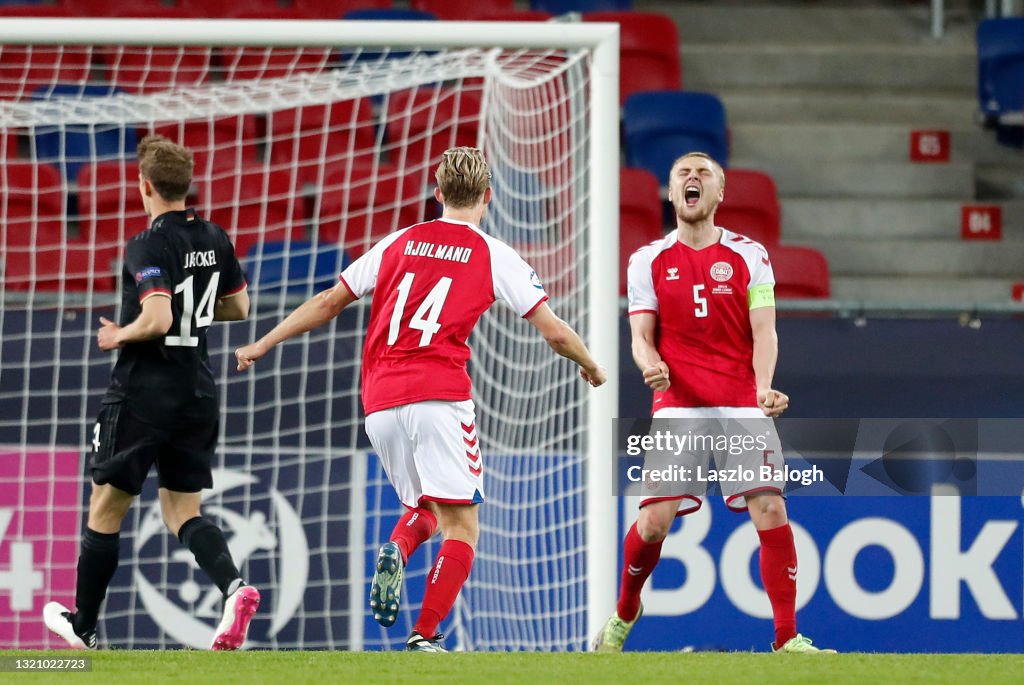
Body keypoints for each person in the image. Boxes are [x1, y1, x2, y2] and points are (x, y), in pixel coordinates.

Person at [235, 147, 606, 652]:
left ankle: (398, 546)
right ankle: (424, 634)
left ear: (437, 193)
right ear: (488, 197)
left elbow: (328, 301)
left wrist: (263, 342)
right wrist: (590, 364)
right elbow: (554, 333)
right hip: (439, 394)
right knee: (463, 525)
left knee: (425, 506)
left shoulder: (399, 241)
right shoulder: (495, 254)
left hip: (380, 402)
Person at [592, 152, 834, 655]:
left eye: (704, 174)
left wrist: (763, 385)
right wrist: (648, 362)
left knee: (769, 506)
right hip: (678, 401)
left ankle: (786, 637)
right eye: (683, 173)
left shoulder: (750, 255)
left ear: (720, 193)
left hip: (741, 401)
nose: (693, 179)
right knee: (655, 521)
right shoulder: (647, 260)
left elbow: (765, 331)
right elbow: (640, 335)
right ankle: (625, 610)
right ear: (672, 192)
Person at [43, 135, 259, 651]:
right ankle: (234, 587)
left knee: (105, 507)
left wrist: (118, 333)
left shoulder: (146, 243)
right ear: (187, 187)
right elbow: (240, 307)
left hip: (144, 391)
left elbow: (158, 316)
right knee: (183, 510)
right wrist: (194, 313)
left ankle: (85, 627)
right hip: (198, 390)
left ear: (144, 186)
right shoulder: (216, 237)